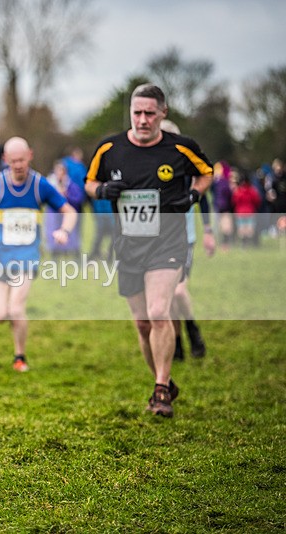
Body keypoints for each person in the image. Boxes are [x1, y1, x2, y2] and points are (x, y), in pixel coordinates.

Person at [84, 83, 213, 418]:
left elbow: (207, 173)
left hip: (168, 244)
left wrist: (194, 196)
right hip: (128, 246)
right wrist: (103, 191)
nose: (142, 120)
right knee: (142, 324)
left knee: (159, 313)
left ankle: (160, 390)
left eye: (149, 114)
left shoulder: (181, 149)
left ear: (163, 113)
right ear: (131, 112)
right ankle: (163, 381)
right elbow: (89, 182)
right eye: (137, 113)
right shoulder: (109, 148)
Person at [0, 137, 77, 372]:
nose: (18, 165)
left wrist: (64, 230)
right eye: (13, 161)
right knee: (0, 315)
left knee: (16, 308)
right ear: (5, 160)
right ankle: (13, 326)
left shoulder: (40, 185)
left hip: (27, 255)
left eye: (21, 159)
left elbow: (69, 211)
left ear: (30, 155)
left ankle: (19, 356)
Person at [159, 119, 214, 361]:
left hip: (185, 237)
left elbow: (203, 198)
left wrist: (209, 232)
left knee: (179, 291)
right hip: (158, 240)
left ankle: (192, 329)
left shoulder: (188, 167)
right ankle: (177, 342)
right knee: (166, 296)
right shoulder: (153, 168)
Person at [44, 159, 84, 258]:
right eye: (57, 170)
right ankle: (55, 256)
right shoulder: (50, 184)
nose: (59, 173)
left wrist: (67, 195)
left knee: (72, 235)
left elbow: (79, 198)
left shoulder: (71, 184)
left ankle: (75, 256)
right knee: (54, 234)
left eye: (61, 170)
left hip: (68, 214)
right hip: (54, 216)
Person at [231, 172, 262, 246]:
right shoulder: (252, 190)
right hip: (250, 212)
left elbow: (234, 201)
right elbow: (257, 201)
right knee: (249, 229)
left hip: (240, 213)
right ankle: (250, 243)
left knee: (242, 229)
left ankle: (244, 244)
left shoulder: (238, 191)